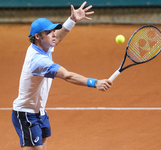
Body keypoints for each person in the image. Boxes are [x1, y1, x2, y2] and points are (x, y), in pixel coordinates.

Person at [12, 1, 112, 150]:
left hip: (39, 111)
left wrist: (72, 20)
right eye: (49, 32)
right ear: (38, 37)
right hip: (26, 114)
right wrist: (94, 82)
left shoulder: (40, 47)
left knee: (43, 141)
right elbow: (67, 75)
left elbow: (57, 39)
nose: (53, 34)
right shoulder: (38, 60)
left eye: (53, 31)